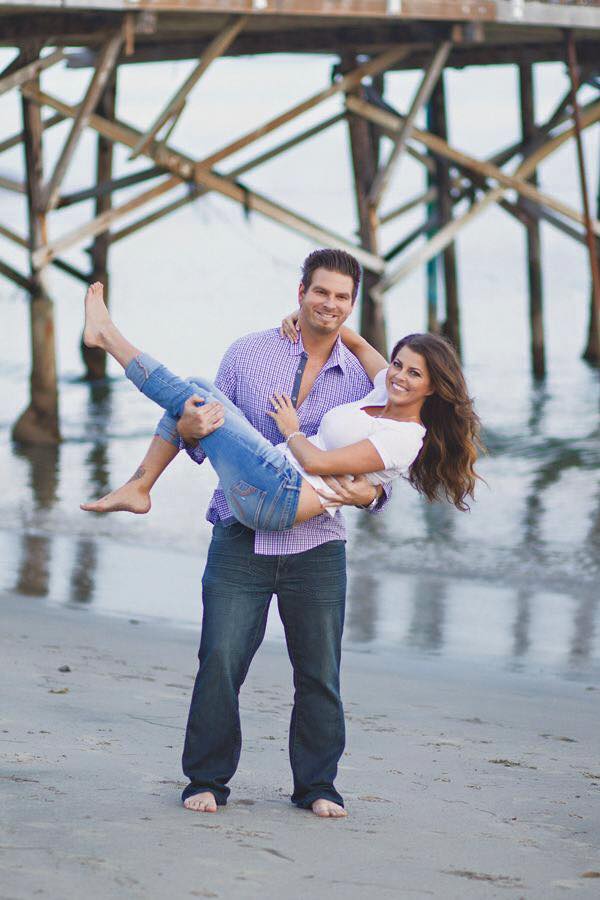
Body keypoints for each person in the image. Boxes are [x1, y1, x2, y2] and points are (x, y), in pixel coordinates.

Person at [81, 249, 482, 816]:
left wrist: (356, 482)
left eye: (343, 297)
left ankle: (318, 786)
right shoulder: (256, 355)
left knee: (319, 672)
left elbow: (374, 480)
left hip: (313, 538)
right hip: (242, 525)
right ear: (301, 291)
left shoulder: (375, 393)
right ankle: (206, 780)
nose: (331, 305)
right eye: (322, 292)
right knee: (219, 659)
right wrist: (192, 428)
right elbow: (205, 440)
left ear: (352, 304)